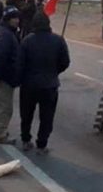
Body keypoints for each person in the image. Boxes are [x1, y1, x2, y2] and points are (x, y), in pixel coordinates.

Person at [19, 12, 70, 154]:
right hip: (50, 84)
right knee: (47, 117)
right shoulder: (58, 40)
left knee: (26, 114)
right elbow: (65, 62)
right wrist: (54, 72)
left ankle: (25, 140)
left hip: (29, 84)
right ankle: (42, 144)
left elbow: (20, 63)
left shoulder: (27, 40)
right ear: (48, 24)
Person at [0, 6, 22, 144]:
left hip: (2, 77)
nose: (17, 21)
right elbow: (1, 57)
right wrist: (4, 76)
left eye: (17, 18)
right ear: (8, 19)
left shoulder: (4, 32)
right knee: (4, 107)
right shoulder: (7, 35)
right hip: (5, 78)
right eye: (14, 18)